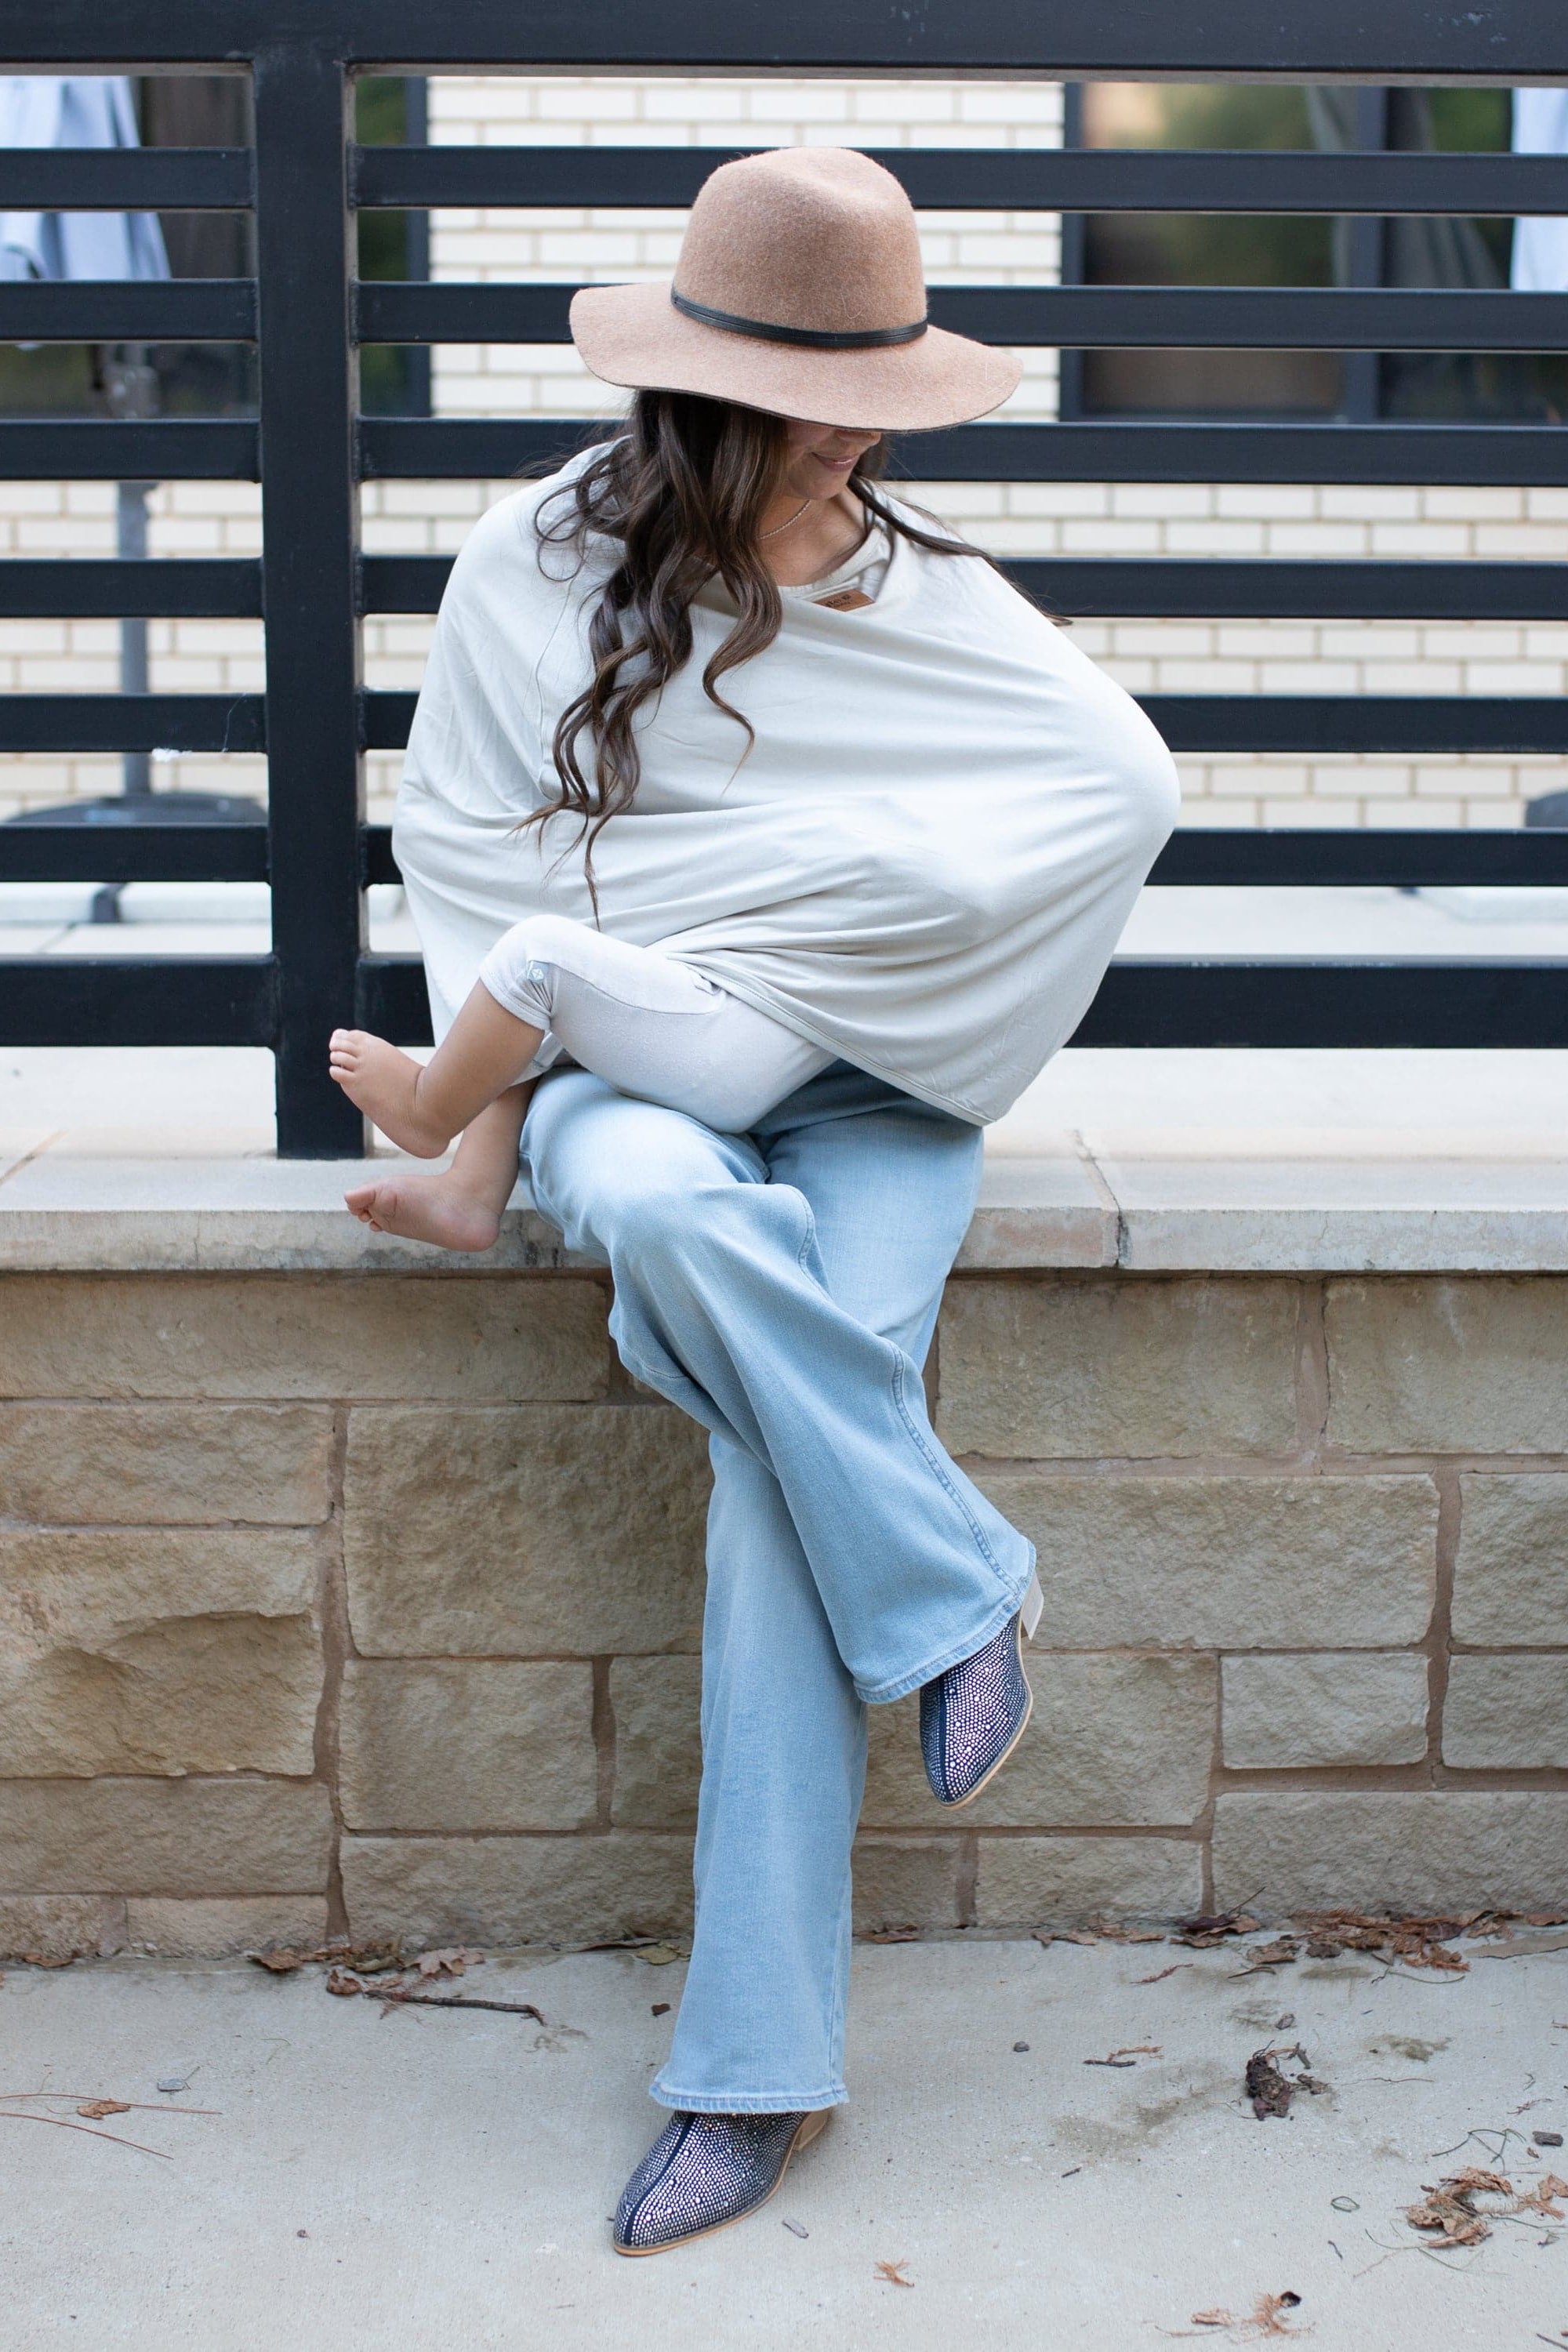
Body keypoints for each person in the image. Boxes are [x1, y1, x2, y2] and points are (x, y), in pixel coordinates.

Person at [347, 146, 1180, 2256]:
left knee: (766, 1509)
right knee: (670, 1218)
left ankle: (754, 2075)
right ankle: (956, 1582)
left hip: (884, 1100)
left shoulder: (929, 595)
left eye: (874, 404)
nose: (849, 445)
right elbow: (478, 860)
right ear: (693, 393)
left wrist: (845, 924)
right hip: (645, 1089)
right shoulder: (528, 566)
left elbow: (1115, 791)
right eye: (811, 405)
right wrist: (503, 1108)